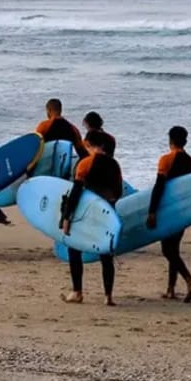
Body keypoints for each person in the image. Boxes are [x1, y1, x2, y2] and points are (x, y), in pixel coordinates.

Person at [145, 125, 191, 302]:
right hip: (185, 214)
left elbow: (159, 187)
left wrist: (152, 211)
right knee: (173, 249)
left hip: (169, 211)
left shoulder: (166, 160)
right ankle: (171, 289)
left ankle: (189, 279)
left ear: (170, 140)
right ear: (185, 141)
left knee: (168, 250)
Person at [60, 129, 124, 305]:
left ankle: (77, 292)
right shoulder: (114, 164)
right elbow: (118, 192)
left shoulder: (85, 163)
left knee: (74, 250)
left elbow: (76, 192)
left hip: (86, 212)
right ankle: (108, 296)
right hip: (107, 212)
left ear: (89, 145)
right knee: (106, 254)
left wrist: (66, 217)